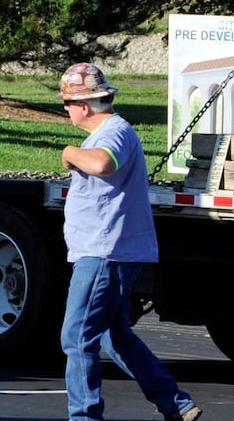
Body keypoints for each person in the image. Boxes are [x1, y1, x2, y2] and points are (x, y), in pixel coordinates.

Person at [58, 62, 202, 421]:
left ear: (85, 105)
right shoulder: (109, 131)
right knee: (112, 335)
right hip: (108, 251)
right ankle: (175, 404)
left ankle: (84, 417)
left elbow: (104, 164)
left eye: (68, 102)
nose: (66, 108)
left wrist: (69, 153)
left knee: (76, 337)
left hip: (103, 253)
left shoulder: (112, 133)